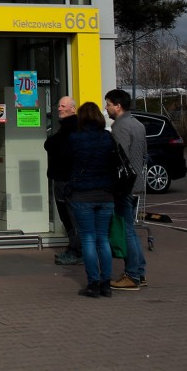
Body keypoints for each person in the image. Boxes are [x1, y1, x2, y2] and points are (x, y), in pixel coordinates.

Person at [66, 101, 117, 297]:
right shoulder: (107, 138)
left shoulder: (75, 139)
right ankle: (106, 284)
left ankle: (93, 283)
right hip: (105, 194)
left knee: (88, 238)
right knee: (102, 239)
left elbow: (66, 163)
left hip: (82, 194)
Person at [105, 88, 149, 290]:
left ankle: (132, 274)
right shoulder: (138, 125)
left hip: (124, 186)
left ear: (118, 106)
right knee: (131, 229)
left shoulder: (120, 128)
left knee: (127, 231)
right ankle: (139, 272)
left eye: (108, 104)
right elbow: (143, 156)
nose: (106, 109)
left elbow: (117, 159)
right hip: (137, 184)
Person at [44, 95, 81, 266]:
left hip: (66, 180)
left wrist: (50, 142)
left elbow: (53, 145)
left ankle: (76, 250)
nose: (59, 108)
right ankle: (76, 247)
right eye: (58, 105)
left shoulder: (71, 128)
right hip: (63, 178)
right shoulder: (67, 128)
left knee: (69, 215)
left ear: (73, 109)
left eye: (63, 105)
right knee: (67, 215)